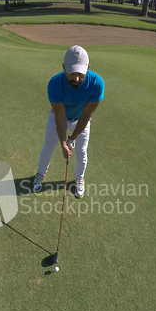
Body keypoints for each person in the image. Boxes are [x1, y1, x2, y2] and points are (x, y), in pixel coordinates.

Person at [33, 45, 105, 199]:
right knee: (48, 148)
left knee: (81, 152)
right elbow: (59, 116)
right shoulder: (55, 83)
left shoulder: (97, 83)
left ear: (88, 68)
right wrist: (63, 143)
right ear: (64, 68)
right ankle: (40, 173)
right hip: (58, 118)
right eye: (72, 73)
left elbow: (86, 114)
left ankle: (79, 178)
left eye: (80, 73)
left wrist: (72, 138)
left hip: (81, 120)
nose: (76, 78)